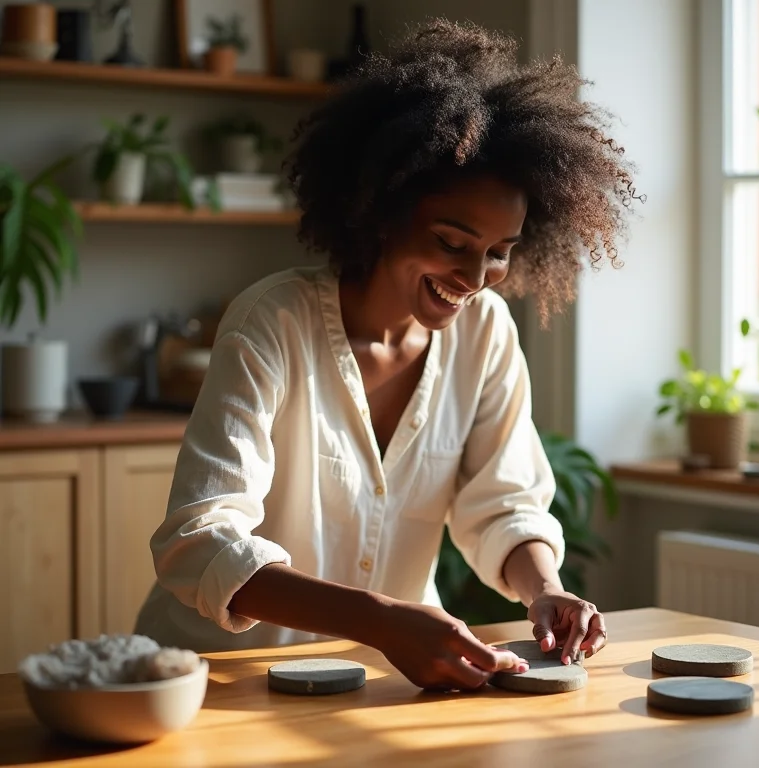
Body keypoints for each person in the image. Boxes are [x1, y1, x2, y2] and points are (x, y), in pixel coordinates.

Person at [135, 19, 639, 692]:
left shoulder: (485, 331)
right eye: (452, 241)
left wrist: (545, 589)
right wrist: (379, 619)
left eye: (499, 251)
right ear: (378, 209)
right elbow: (201, 542)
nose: (476, 274)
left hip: (379, 686)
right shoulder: (271, 322)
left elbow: (504, 504)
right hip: (221, 683)